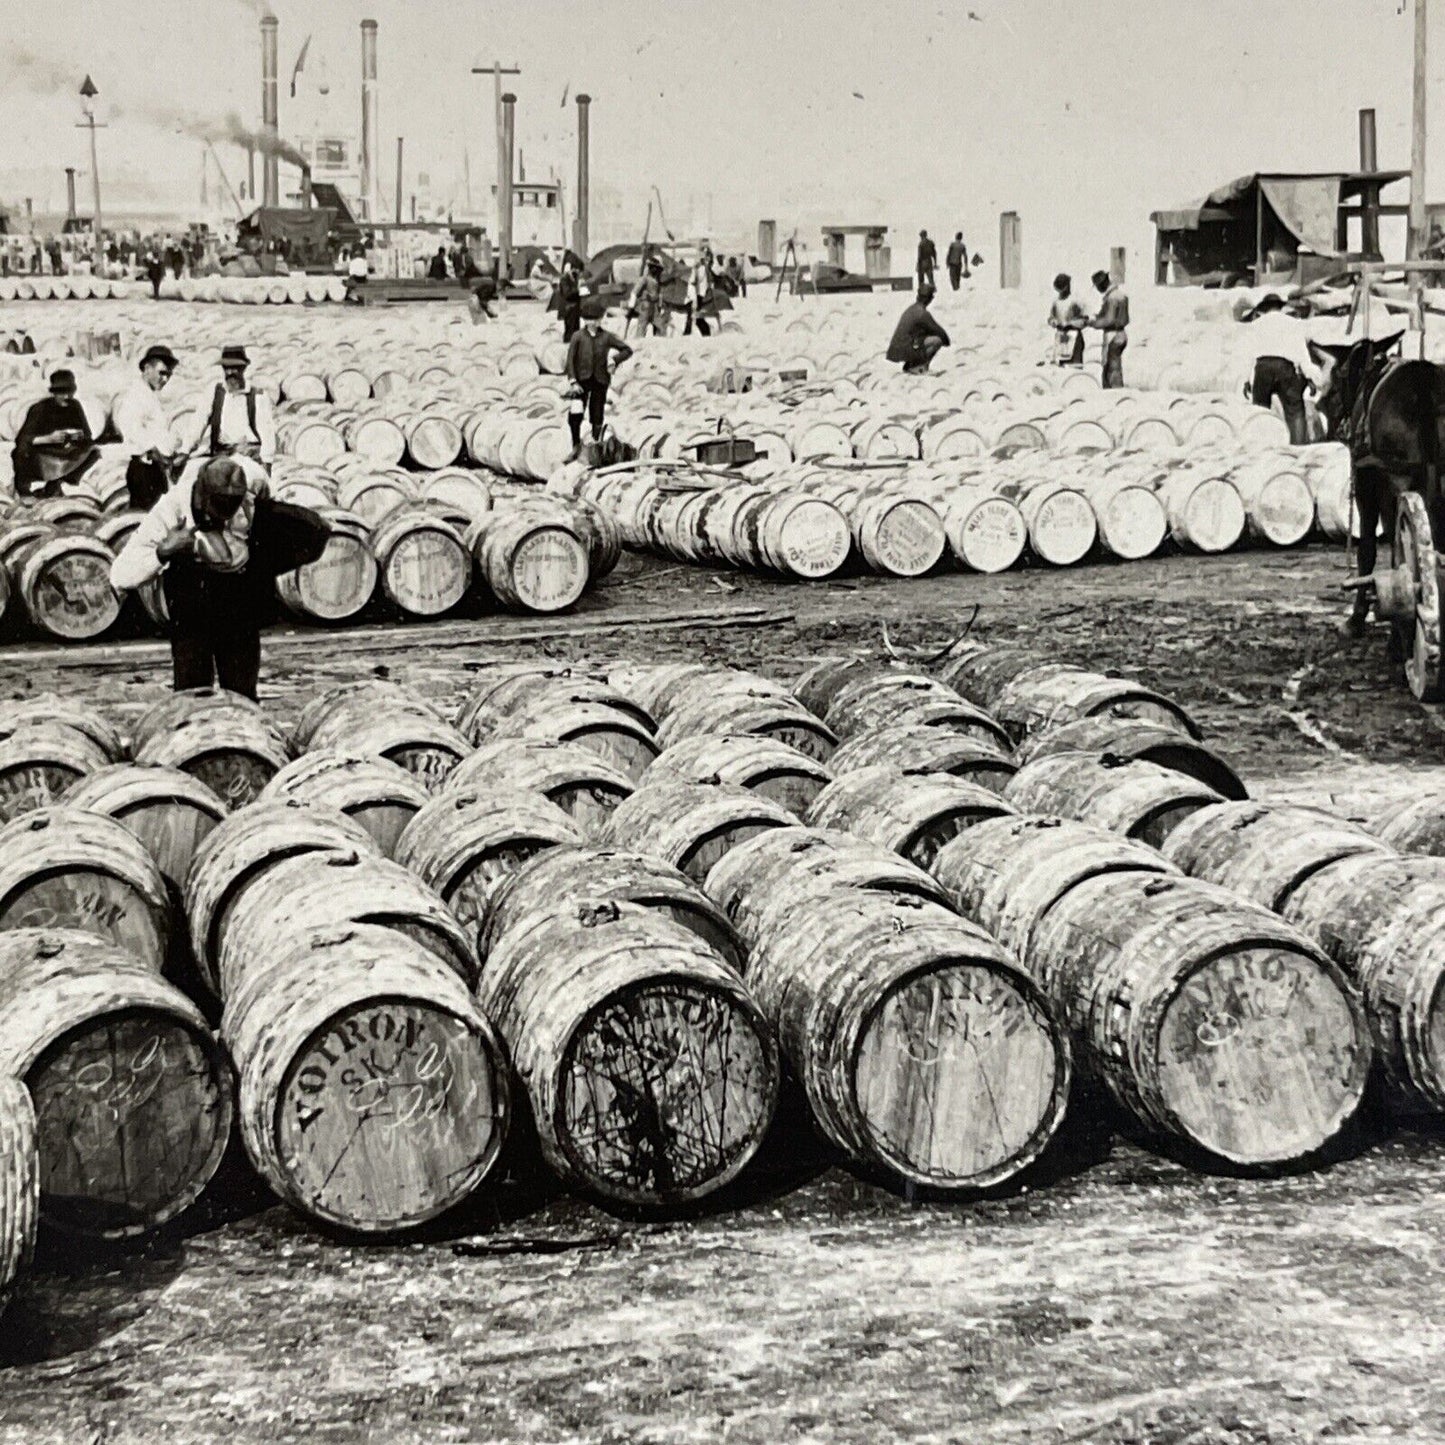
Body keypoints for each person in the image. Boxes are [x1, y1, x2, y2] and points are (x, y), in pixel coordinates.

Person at [109, 456, 270, 699]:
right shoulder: (171, 509)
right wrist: (163, 551)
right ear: (202, 496)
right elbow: (120, 574)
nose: (222, 519)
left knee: (243, 692)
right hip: (192, 603)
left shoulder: (254, 479)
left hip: (238, 599)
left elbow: (270, 508)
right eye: (217, 512)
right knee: (192, 692)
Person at [11, 370, 100, 499]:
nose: (66, 397)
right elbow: (22, 439)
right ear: (53, 393)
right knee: (20, 453)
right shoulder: (40, 408)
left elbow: (87, 435)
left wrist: (76, 436)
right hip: (43, 453)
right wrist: (49, 438)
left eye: (69, 392)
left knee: (94, 452)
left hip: (65, 452)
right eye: (62, 393)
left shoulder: (74, 406)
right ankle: (24, 490)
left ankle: (57, 483)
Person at [114, 344, 180, 509]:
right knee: (145, 516)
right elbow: (129, 427)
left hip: (154, 468)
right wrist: (155, 451)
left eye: (169, 375)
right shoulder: (136, 395)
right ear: (147, 368)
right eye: (162, 373)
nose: (165, 379)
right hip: (144, 469)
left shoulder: (149, 395)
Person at [565, 298, 633, 454]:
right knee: (575, 414)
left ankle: (596, 445)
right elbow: (570, 360)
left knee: (597, 414)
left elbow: (627, 350)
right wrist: (573, 381)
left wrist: (614, 360)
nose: (594, 323)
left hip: (600, 380)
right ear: (585, 320)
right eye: (590, 320)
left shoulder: (607, 337)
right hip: (581, 381)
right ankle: (575, 445)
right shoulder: (578, 336)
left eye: (597, 319)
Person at [190, 346, 276, 469]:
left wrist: (267, 461)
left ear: (244, 368)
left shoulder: (257, 395)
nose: (230, 372)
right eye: (226, 368)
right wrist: (185, 449)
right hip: (221, 454)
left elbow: (267, 431)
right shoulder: (215, 392)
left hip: (250, 454)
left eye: (234, 368)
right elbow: (199, 421)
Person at [1246, 355, 1313, 446]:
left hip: (1262, 365)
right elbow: (1300, 349)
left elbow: (1249, 350)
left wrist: (1247, 379)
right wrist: (1310, 376)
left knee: (1261, 412)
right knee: (1295, 412)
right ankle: (1298, 448)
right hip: (1287, 366)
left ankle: (1261, 447)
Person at [886, 286, 950, 374]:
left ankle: (910, 365)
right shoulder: (922, 313)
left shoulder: (911, 309)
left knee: (920, 340)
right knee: (937, 341)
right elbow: (939, 332)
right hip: (905, 349)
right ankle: (918, 367)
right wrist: (946, 342)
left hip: (896, 349)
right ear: (929, 299)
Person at [1088, 270, 1130, 389]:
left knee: (1111, 368)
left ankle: (1115, 392)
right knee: (1114, 365)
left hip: (1113, 335)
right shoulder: (1121, 295)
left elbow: (1109, 320)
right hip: (1121, 334)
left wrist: (1093, 324)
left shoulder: (1111, 298)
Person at [1048, 273, 1088, 367]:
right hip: (1061, 337)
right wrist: (1054, 322)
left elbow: (1084, 320)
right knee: (1061, 363)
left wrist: (1070, 324)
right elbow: (1051, 317)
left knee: (1074, 365)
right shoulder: (1056, 302)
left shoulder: (1076, 301)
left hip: (1074, 336)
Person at [627, 257, 666, 337]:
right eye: (654, 268)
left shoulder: (656, 281)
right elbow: (634, 293)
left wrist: (659, 306)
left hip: (654, 306)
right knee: (642, 327)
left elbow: (659, 295)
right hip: (645, 305)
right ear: (651, 268)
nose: (657, 271)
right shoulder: (644, 279)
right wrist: (631, 308)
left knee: (661, 327)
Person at [684, 247, 716, 337]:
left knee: (696, 318)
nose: (708, 260)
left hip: (700, 295)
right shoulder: (702, 268)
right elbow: (694, 281)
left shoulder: (703, 269)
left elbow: (695, 281)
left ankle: (704, 334)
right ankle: (692, 333)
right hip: (699, 295)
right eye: (706, 258)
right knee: (696, 318)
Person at [556, 256, 583, 341]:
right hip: (568, 308)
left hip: (575, 308)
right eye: (577, 270)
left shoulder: (574, 277)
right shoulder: (564, 279)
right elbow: (567, 294)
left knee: (576, 330)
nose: (579, 272)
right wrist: (578, 290)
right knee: (570, 330)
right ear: (573, 269)